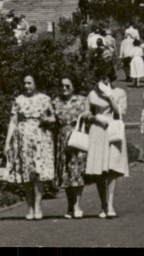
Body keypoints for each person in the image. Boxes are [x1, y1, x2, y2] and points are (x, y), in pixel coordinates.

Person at [4, 75, 56, 220]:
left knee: (39, 172)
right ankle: (30, 207)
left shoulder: (45, 99)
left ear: (36, 83)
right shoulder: (18, 100)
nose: (26, 86)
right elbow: (13, 122)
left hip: (41, 138)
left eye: (29, 83)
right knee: (26, 173)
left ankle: (38, 206)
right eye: (24, 83)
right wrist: (7, 142)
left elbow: (54, 118)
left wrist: (46, 120)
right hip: (23, 140)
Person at [84, 70, 129, 218]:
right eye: (101, 78)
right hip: (97, 131)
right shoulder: (92, 94)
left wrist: (110, 96)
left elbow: (121, 112)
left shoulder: (120, 93)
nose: (103, 81)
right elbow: (86, 114)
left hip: (113, 132)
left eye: (106, 78)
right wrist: (95, 118)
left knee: (112, 168)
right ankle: (103, 204)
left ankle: (110, 204)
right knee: (99, 169)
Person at [50, 77, 89, 219]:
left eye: (67, 86)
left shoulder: (82, 100)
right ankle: (70, 205)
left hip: (77, 138)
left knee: (77, 171)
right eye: (62, 86)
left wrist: (87, 115)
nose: (64, 88)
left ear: (73, 86)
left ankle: (77, 205)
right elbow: (52, 119)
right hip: (62, 140)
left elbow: (88, 115)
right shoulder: (55, 102)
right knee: (66, 172)